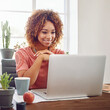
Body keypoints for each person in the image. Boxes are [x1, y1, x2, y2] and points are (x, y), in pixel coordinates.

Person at [15, 9, 65, 89]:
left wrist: (53, 59)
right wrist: (40, 58)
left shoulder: (59, 54)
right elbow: (25, 84)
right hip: (32, 98)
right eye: (44, 32)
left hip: (54, 98)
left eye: (53, 32)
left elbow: (65, 82)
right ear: (34, 32)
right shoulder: (22, 53)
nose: (49, 37)